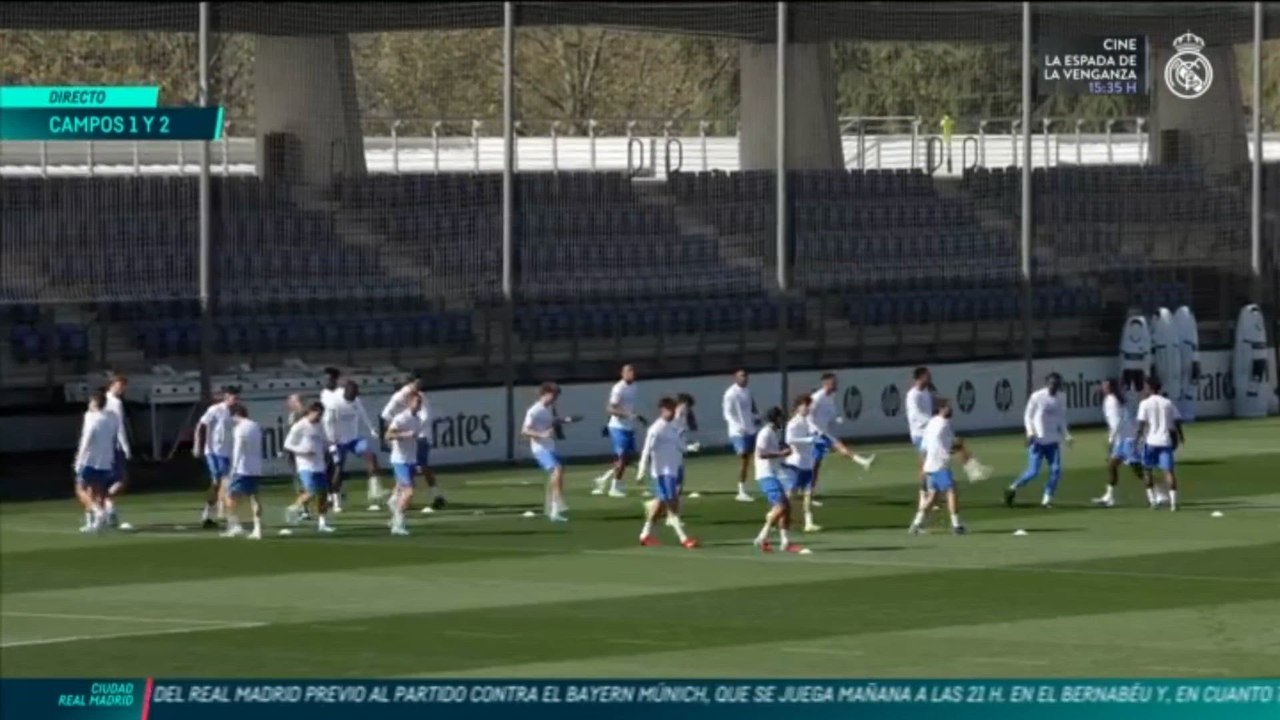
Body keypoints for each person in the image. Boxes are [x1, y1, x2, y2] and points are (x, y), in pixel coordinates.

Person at [784, 394, 860, 533]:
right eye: (805, 405)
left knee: (808, 492)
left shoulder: (808, 421)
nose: (808, 408)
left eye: (809, 405)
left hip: (807, 461)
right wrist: (808, 440)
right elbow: (789, 440)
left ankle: (809, 522)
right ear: (798, 407)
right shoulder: (793, 423)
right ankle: (782, 518)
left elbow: (818, 434)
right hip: (796, 463)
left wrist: (823, 442)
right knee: (791, 493)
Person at [635, 397, 699, 549]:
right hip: (661, 473)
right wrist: (641, 469)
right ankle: (683, 538)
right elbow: (646, 450)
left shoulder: (672, 427)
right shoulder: (656, 429)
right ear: (662, 410)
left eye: (673, 409)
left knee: (661, 505)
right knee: (671, 503)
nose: (672, 413)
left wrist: (690, 448)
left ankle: (645, 535)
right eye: (669, 409)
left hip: (672, 470)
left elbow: (680, 446)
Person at [1005, 373, 1072, 509]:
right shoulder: (1037, 397)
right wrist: (1030, 433)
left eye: (1056, 384)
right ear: (1047, 383)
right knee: (1033, 471)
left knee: (1056, 470)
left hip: (1053, 441)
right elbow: (1028, 416)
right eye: (1052, 384)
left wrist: (1067, 435)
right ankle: (1013, 487)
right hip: (1038, 440)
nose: (1054, 387)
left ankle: (1046, 499)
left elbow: (1061, 418)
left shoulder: (1061, 398)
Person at [809, 373, 875, 505]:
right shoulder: (817, 397)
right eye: (834, 383)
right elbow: (808, 415)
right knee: (834, 449)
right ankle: (863, 462)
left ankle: (809, 493)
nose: (836, 385)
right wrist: (815, 430)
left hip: (824, 432)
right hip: (816, 433)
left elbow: (831, 412)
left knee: (816, 464)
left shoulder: (831, 396)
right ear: (826, 384)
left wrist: (836, 418)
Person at [909, 398, 970, 536]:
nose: (950, 409)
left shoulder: (931, 423)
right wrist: (963, 449)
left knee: (933, 497)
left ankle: (916, 524)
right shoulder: (945, 424)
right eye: (948, 407)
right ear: (941, 409)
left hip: (930, 466)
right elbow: (952, 446)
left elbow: (923, 449)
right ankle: (956, 525)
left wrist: (922, 467)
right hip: (940, 465)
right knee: (951, 490)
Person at [322, 379, 381, 513]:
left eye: (356, 394)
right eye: (353, 394)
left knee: (371, 456)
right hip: (338, 441)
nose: (355, 397)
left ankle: (374, 494)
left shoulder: (356, 400)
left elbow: (363, 414)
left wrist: (372, 429)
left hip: (354, 439)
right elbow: (327, 422)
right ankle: (336, 501)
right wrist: (331, 441)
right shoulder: (334, 403)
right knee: (338, 467)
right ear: (347, 392)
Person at [523, 382, 577, 522]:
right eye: (553, 396)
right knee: (557, 470)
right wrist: (542, 435)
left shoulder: (549, 408)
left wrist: (564, 420)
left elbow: (551, 422)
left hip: (549, 446)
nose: (555, 399)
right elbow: (525, 430)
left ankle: (554, 506)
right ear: (545, 394)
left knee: (560, 469)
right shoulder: (534, 410)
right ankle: (556, 505)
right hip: (539, 448)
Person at [753, 406, 802, 553]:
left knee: (786, 507)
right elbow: (760, 454)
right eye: (780, 417)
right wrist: (781, 453)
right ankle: (762, 536)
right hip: (765, 474)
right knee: (781, 506)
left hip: (774, 473)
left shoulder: (773, 433)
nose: (783, 421)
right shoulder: (765, 433)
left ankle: (785, 541)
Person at [283, 401, 335, 532]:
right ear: (311, 412)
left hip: (319, 464)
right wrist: (303, 451)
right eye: (318, 414)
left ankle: (322, 523)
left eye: (321, 415)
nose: (320, 417)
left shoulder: (320, 426)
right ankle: (293, 508)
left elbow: (324, 441)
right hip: (305, 465)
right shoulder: (299, 426)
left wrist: (331, 444)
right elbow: (288, 445)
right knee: (311, 491)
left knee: (322, 493)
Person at [193, 385, 240, 529]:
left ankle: (211, 515)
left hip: (226, 453)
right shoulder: (216, 409)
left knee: (222, 484)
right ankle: (220, 514)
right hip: (214, 452)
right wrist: (197, 444)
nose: (236, 400)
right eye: (234, 397)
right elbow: (201, 425)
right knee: (218, 482)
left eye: (237, 397)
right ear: (226, 396)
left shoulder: (235, 412)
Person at [593, 364, 643, 498]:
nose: (631, 373)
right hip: (618, 427)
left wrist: (634, 417)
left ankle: (603, 479)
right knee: (621, 457)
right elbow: (610, 408)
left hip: (629, 426)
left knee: (627, 459)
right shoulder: (618, 388)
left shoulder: (634, 387)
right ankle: (615, 487)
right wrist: (626, 415)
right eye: (628, 371)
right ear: (622, 373)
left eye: (633, 371)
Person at [1092, 379, 1144, 508]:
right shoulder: (1115, 399)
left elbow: (1116, 423)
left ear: (1110, 388)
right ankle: (1109, 496)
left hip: (1126, 439)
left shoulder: (1111, 400)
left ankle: (1158, 490)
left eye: (1105, 385)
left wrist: (1111, 440)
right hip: (1123, 439)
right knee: (1112, 466)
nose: (1103, 387)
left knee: (1137, 469)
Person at [73, 390, 119, 533]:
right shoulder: (111, 418)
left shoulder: (93, 419)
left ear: (94, 403)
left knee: (80, 489)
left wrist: (78, 459)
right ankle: (94, 523)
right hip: (106, 460)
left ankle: (97, 511)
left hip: (90, 460)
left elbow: (86, 440)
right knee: (97, 490)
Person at [1136, 378, 1184, 512]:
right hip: (1165, 441)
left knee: (1147, 470)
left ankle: (1152, 501)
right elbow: (1177, 420)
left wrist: (1136, 440)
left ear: (1150, 388)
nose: (1144, 390)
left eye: (1146, 387)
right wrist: (1181, 436)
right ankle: (1174, 504)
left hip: (1151, 441)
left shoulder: (1144, 403)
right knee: (1168, 471)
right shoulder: (1168, 403)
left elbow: (1141, 424)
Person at [384, 393, 424, 536]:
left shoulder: (418, 420)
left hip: (410, 460)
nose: (419, 404)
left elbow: (414, 441)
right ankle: (398, 524)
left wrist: (416, 461)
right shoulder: (401, 418)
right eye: (417, 401)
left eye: (420, 402)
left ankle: (393, 506)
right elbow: (388, 436)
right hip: (400, 460)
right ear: (409, 403)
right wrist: (404, 435)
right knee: (409, 493)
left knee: (400, 491)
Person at [224, 404, 264, 540]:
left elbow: (238, 450)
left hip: (242, 468)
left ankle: (235, 525)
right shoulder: (256, 426)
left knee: (230, 496)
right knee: (254, 497)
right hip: (256, 468)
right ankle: (257, 529)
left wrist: (233, 469)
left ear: (235, 415)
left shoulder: (240, 428)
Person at [722, 369, 758, 502]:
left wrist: (756, 417)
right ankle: (741, 491)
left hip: (751, 430)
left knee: (751, 459)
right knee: (743, 457)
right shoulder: (730, 394)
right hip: (737, 432)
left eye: (746, 376)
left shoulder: (748, 391)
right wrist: (738, 426)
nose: (745, 378)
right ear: (735, 377)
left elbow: (751, 409)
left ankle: (745, 486)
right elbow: (727, 414)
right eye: (742, 376)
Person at [102, 374, 132, 529]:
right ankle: (107, 506)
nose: (121, 389)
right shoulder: (114, 403)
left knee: (110, 478)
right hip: (112, 445)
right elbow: (119, 426)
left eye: (123, 386)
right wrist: (125, 446)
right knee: (119, 479)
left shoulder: (102, 400)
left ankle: (107, 508)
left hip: (103, 445)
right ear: (111, 385)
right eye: (119, 385)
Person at [905, 367, 933, 507]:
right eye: (927, 376)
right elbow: (915, 415)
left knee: (932, 464)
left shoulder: (926, 392)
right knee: (925, 465)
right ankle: (923, 496)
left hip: (929, 433)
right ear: (921, 378)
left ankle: (929, 494)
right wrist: (933, 422)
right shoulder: (913, 395)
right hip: (919, 434)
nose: (930, 378)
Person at [282, 394, 312, 521]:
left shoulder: (303, 414)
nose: (289, 403)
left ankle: (301, 507)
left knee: (306, 482)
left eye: (292, 401)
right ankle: (302, 508)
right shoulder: (294, 416)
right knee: (300, 481)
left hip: (304, 452)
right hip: (296, 453)